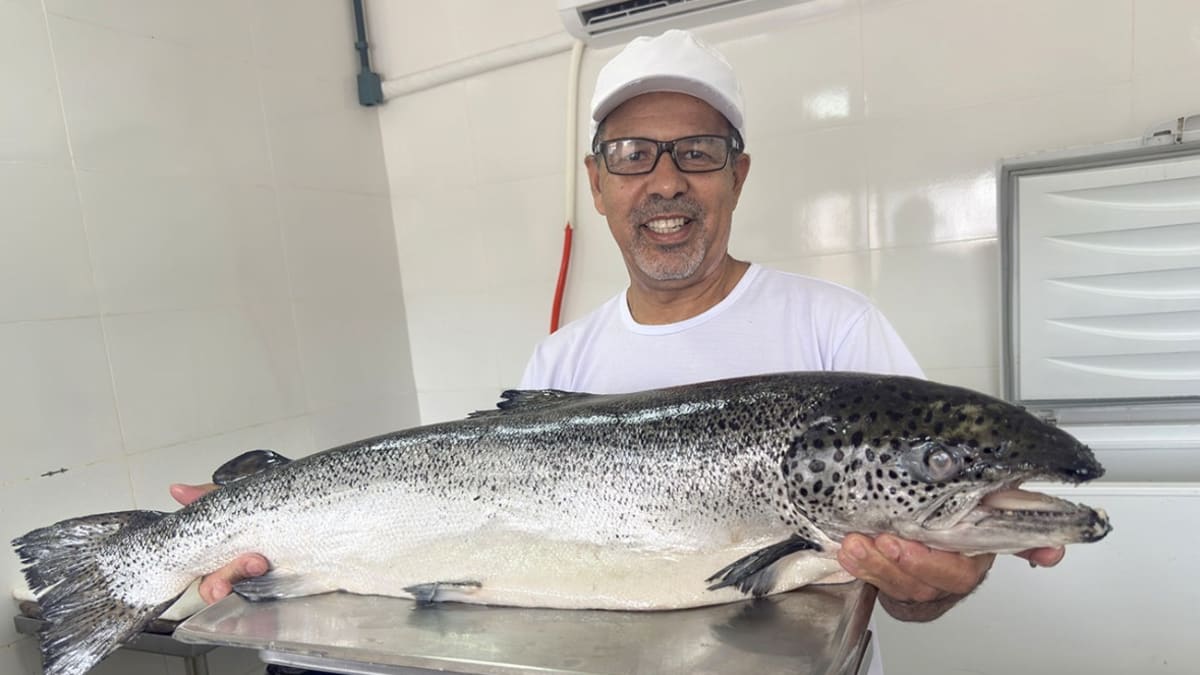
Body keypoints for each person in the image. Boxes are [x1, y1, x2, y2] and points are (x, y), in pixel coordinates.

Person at [172, 27, 1064, 673]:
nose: (665, 180)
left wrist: (937, 577)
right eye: (633, 155)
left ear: (737, 175)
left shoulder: (837, 331)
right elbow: (471, 542)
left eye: (698, 152)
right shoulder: (562, 360)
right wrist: (270, 515)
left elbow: (920, 588)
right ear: (598, 186)